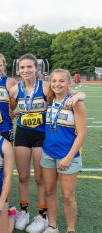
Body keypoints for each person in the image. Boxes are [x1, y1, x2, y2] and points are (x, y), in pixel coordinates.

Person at [9, 54, 86, 232]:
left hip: (41, 136)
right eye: (22, 68)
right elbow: (11, 108)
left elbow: (71, 93)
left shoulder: (46, 87)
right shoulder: (14, 90)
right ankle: (24, 211)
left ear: (37, 68)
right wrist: (14, 113)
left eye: (30, 67)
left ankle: (43, 216)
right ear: (18, 70)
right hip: (23, 134)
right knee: (22, 176)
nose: (26, 70)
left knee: (40, 179)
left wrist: (81, 93)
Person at [41, 69, 86, 233]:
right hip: (48, 153)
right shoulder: (49, 99)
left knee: (67, 196)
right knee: (49, 191)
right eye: (54, 81)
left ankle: (71, 229)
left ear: (69, 82)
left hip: (68, 155)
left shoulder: (75, 103)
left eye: (61, 81)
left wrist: (68, 157)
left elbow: (82, 134)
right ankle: (52, 225)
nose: (57, 84)